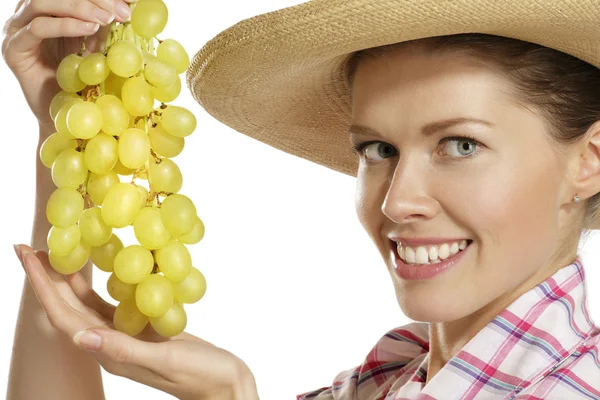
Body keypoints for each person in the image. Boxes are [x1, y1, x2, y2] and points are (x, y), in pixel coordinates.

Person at [5, 0, 600, 399]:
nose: (398, 202)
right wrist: (69, 138)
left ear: (589, 162)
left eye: (461, 144)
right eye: (377, 149)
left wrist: (232, 392)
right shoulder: (389, 378)